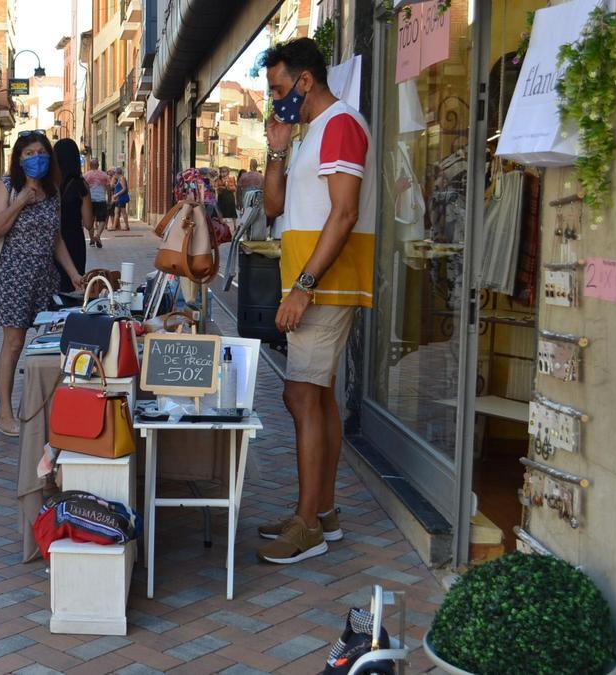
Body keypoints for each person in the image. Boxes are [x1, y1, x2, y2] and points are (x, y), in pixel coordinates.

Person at [256, 37, 376, 565]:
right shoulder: (310, 134)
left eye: (280, 88)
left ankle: (309, 524)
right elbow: (275, 204)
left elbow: (344, 214)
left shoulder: (342, 125)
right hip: (309, 282)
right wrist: (278, 147)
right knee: (316, 396)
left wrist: (304, 287)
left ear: (305, 81)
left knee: (301, 396)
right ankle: (321, 511)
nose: (274, 99)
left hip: (324, 286)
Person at [0, 131, 85, 437]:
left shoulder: (53, 191)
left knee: (46, 344)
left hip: (45, 275)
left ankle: (42, 404)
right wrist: (20, 202)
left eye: (40, 152)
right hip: (14, 275)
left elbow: (55, 238)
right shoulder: (7, 187)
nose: (35, 158)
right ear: (18, 158)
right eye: (28, 153)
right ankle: (4, 413)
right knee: (14, 343)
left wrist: (71, 272)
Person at [54, 139, 91, 292]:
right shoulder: (80, 185)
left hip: (53, 241)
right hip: (75, 242)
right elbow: (88, 223)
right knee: (74, 287)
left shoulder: (49, 184)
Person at [82, 159, 111, 247]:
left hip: (90, 201)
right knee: (102, 220)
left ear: (90, 165)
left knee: (90, 220)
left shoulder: (86, 175)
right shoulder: (104, 175)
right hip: (101, 200)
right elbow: (108, 189)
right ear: (98, 165)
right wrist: (109, 200)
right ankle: (97, 235)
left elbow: (83, 190)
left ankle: (91, 240)